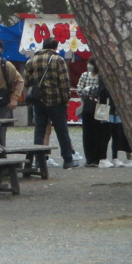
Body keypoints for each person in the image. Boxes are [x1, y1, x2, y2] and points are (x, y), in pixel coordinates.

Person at [24, 38, 77, 169]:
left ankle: (39, 161)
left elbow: (26, 81)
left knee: (39, 132)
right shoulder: (58, 60)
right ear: (55, 47)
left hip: (38, 101)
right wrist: (66, 99)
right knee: (62, 131)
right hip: (56, 101)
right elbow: (64, 82)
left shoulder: (31, 60)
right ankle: (67, 160)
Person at [76, 58, 108, 167]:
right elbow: (79, 90)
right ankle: (89, 158)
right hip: (87, 105)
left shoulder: (102, 76)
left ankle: (97, 157)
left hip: (100, 106)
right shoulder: (84, 75)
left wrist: (89, 89)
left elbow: (101, 90)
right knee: (87, 132)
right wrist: (90, 91)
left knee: (99, 131)